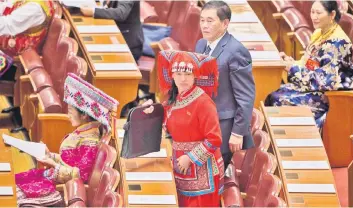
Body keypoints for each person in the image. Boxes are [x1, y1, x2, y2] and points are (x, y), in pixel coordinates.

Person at [15, 73, 119, 207]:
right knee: (14, 183)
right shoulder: (83, 132)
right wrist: (50, 155)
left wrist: (53, 164)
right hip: (54, 177)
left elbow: (81, 174)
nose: (68, 115)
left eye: (70, 111)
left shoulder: (89, 140)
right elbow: (70, 162)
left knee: (14, 194)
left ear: (84, 115)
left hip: (61, 186)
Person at [143, 50, 224, 207]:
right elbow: (165, 116)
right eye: (178, 73)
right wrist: (150, 110)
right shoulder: (175, 99)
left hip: (202, 171)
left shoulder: (204, 103)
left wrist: (190, 158)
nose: (183, 78)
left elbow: (214, 138)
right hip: (180, 168)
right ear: (172, 76)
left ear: (195, 76)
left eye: (188, 74)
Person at [265, 0, 353, 130]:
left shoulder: (338, 43)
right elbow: (309, 63)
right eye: (312, 12)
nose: (313, 17)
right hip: (312, 85)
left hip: (327, 96)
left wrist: (292, 68)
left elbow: (322, 81)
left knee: (277, 98)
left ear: (332, 15)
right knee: (271, 92)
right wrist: (291, 62)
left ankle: (288, 139)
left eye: (318, 13)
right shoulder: (319, 33)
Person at [195, 1, 255, 169]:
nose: (204, 26)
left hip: (223, 126)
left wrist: (237, 132)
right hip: (202, 121)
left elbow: (245, 96)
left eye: (210, 21)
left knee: (209, 174)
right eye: (202, 20)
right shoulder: (201, 44)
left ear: (225, 23)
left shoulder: (236, 51)